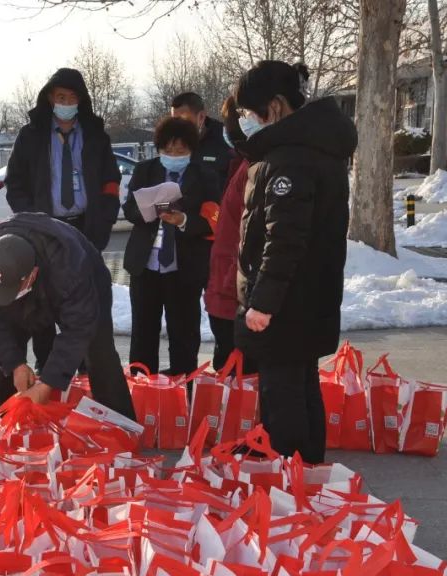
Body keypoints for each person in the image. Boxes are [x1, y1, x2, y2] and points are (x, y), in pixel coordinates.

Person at [234, 61, 358, 463]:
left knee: (283, 392)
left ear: (274, 106)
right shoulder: (314, 149)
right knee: (302, 385)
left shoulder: (291, 159)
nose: (248, 122)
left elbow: (284, 239)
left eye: (251, 114)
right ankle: (305, 468)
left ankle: (287, 477)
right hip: (308, 295)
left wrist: (263, 302)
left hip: (287, 302)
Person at [5, 67, 124, 374]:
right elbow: (15, 183)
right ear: (49, 98)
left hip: (85, 227)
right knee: (43, 303)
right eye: (60, 97)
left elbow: (111, 181)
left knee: (85, 303)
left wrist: (105, 218)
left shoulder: (96, 135)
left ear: (81, 101)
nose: (66, 102)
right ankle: (47, 368)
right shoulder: (31, 136)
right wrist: (30, 220)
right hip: (45, 230)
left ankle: (87, 369)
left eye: (72, 97)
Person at [0, 212, 135, 418]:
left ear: (32, 275)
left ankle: (121, 424)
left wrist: (49, 382)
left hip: (85, 280)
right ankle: (2, 424)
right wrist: (15, 365)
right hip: (34, 273)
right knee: (5, 354)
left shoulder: (71, 267)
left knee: (98, 351)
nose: (5, 297)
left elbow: (78, 328)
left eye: (10, 291)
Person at [122, 116, 220, 377]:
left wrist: (185, 220)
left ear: (191, 150)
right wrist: (148, 211)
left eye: (180, 150)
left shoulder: (205, 175)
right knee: (143, 331)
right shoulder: (145, 170)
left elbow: (214, 218)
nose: (173, 155)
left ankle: (183, 388)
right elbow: (129, 209)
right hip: (146, 265)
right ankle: (142, 388)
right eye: (168, 150)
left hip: (184, 267)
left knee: (184, 333)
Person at [205, 96, 251, 372]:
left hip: (236, 289)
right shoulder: (237, 164)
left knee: (241, 374)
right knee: (228, 367)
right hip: (225, 285)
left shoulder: (254, 168)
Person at [171, 92, 233, 191]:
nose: (178, 126)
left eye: (183, 120)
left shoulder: (225, 139)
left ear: (201, 117)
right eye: (174, 121)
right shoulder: (172, 146)